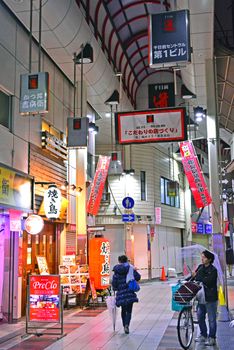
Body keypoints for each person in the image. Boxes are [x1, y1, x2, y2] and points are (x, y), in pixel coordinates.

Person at [192, 250, 218, 346]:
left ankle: (212, 338)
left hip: (210, 298)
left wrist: (198, 276)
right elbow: (195, 278)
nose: (202, 259)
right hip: (201, 297)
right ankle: (203, 334)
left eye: (204, 257)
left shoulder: (213, 270)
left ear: (209, 259)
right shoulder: (200, 267)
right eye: (201, 257)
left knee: (211, 319)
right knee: (200, 317)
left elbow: (209, 281)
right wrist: (192, 276)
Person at [112, 255, 141, 334]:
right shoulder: (131, 268)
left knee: (123, 310)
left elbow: (114, 283)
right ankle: (127, 325)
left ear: (119, 261)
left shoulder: (116, 271)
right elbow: (138, 277)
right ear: (126, 261)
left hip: (121, 293)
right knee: (129, 310)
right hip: (129, 292)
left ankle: (124, 324)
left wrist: (115, 288)